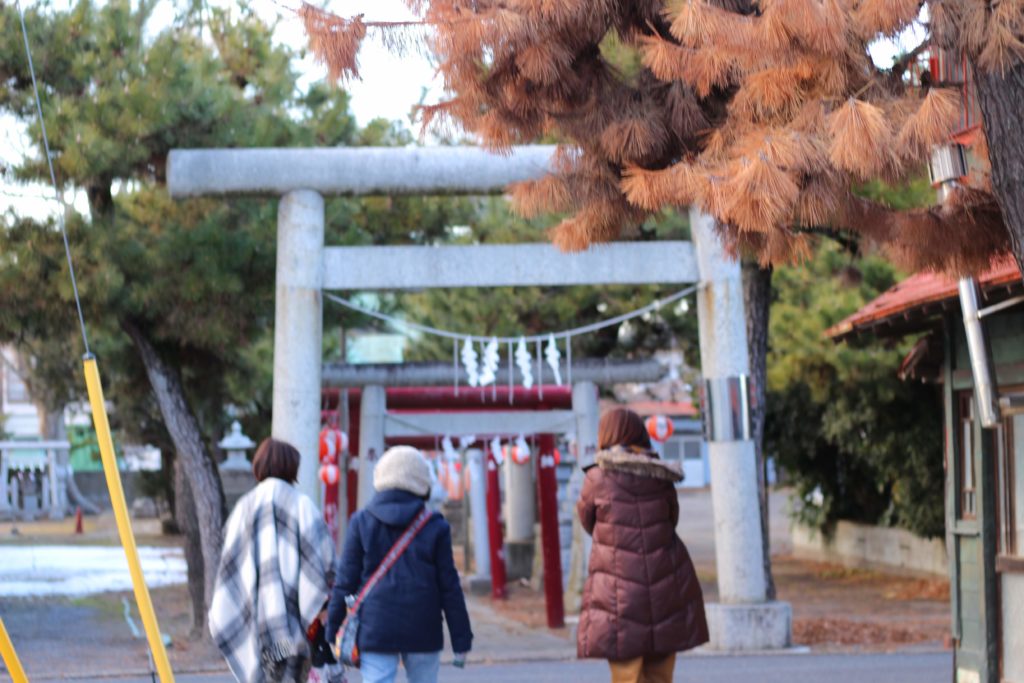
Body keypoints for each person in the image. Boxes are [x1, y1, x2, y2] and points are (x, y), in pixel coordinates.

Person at [576, 408, 709, 683]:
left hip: (618, 592)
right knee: (660, 674)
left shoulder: (596, 478)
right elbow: (671, 520)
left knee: (627, 675)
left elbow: (588, 522)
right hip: (666, 585)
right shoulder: (661, 477)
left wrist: (614, 540)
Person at [326, 446, 472, 683]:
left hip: (375, 626)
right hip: (424, 626)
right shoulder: (435, 526)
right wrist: (461, 638)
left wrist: (332, 630)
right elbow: (449, 587)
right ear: (422, 481)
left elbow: (345, 583)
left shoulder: (361, 521)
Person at [209, 438, 336, 682]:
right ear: (292, 467)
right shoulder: (303, 506)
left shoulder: (243, 508)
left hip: (256, 622)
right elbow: (325, 564)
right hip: (297, 626)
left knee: (267, 673)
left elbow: (230, 570)